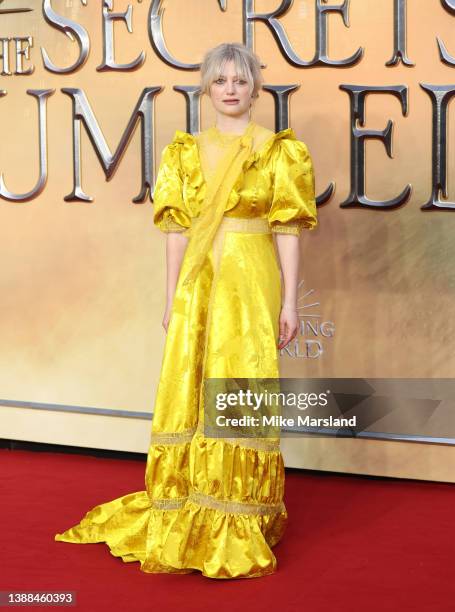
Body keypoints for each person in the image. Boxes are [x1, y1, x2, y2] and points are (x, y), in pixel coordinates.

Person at [54, 42, 318, 580]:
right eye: (220, 81)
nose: (230, 90)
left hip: (250, 280)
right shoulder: (183, 152)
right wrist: (172, 297)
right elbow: (176, 233)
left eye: (240, 81)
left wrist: (290, 301)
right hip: (199, 283)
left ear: (255, 88)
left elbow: (288, 229)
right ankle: (188, 502)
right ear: (205, 87)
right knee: (189, 385)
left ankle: (236, 518)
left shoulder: (277, 151)